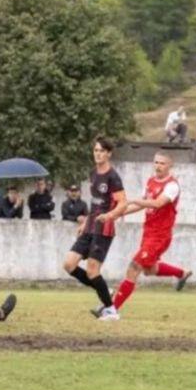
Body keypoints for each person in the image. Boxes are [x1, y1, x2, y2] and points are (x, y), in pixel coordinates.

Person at [107, 152, 193, 319]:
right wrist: (118, 213)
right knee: (149, 269)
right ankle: (182, 273)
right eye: (156, 162)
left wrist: (132, 201)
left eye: (162, 163)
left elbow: (157, 203)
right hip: (148, 233)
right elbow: (143, 204)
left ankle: (112, 310)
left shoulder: (172, 186)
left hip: (160, 236)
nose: (158, 166)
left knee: (134, 268)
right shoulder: (150, 182)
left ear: (170, 166)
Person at [63, 137, 127, 321]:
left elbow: (123, 203)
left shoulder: (113, 177)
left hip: (104, 228)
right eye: (95, 150)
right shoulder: (93, 174)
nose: (97, 154)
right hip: (90, 226)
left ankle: (111, 310)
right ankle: (105, 290)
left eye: (101, 151)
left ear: (108, 154)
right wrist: (84, 223)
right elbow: (95, 202)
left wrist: (109, 215)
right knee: (69, 264)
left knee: (92, 270)